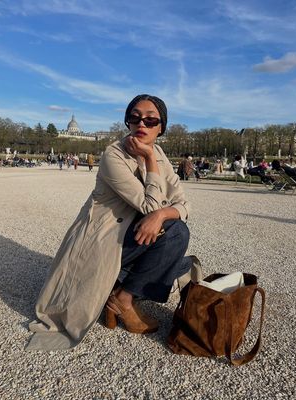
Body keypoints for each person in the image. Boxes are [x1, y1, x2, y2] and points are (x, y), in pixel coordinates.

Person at [27, 94, 193, 351]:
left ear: (161, 127)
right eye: (135, 118)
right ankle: (124, 300)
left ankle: (120, 291)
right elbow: (150, 205)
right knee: (175, 237)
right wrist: (149, 162)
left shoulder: (159, 154)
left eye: (150, 120)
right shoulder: (113, 155)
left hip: (127, 234)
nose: (142, 125)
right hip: (102, 240)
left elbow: (184, 204)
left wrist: (161, 215)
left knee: (175, 240)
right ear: (127, 122)